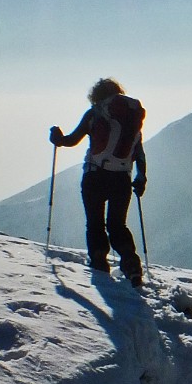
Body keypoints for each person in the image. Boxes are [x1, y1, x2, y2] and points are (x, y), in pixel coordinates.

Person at [49, 78, 148, 286]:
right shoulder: (132, 119)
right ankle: (131, 266)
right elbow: (138, 151)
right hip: (122, 178)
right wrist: (141, 177)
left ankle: (99, 265)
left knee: (95, 224)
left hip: (94, 176)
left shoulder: (95, 113)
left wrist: (57, 137)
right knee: (118, 225)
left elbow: (70, 140)